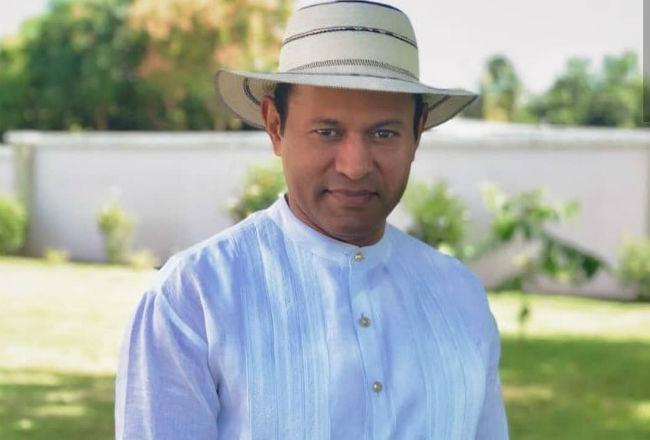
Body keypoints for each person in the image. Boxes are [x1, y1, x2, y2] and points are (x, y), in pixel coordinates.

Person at [115, 1, 509, 439]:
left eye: (384, 133)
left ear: (417, 133)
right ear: (275, 126)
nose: (355, 166)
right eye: (327, 132)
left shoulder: (458, 297)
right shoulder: (195, 298)